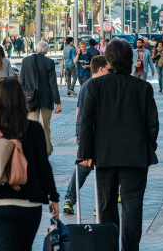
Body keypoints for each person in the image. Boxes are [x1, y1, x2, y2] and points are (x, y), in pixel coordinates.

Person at [79, 39, 160, 251]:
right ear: (130, 60)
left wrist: (85, 153)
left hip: (104, 154)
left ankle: (108, 247)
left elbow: (87, 121)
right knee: (132, 206)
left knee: (106, 205)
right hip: (135, 155)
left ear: (109, 59)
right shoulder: (143, 87)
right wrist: (147, 145)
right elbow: (153, 124)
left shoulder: (95, 85)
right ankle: (130, 248)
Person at [0, 78, 61, 251]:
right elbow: (44, 166)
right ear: (21, 99)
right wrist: (53, 197)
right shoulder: (34, 129)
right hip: (30, 205)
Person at [63, 55, 108, 215]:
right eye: (108, 68)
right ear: (101, 68)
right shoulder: (99, 85)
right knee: (102, 170)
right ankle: (100, 204)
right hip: (98, 134)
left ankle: (69, 199)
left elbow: (78, 112)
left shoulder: (85, 85)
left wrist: (78, 133)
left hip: (85, 133)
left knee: (83, 168)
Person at [20, 40, 62, 156]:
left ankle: (32, 151)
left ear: (36, 49)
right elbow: (53, 84)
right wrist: (58, 102)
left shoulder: (26, 61)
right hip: (46, 99)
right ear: (46, 51)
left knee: (32, 125)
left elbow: (21, 82)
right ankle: (46, 150)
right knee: (46, 126)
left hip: (30, 99)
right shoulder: (49, 62)